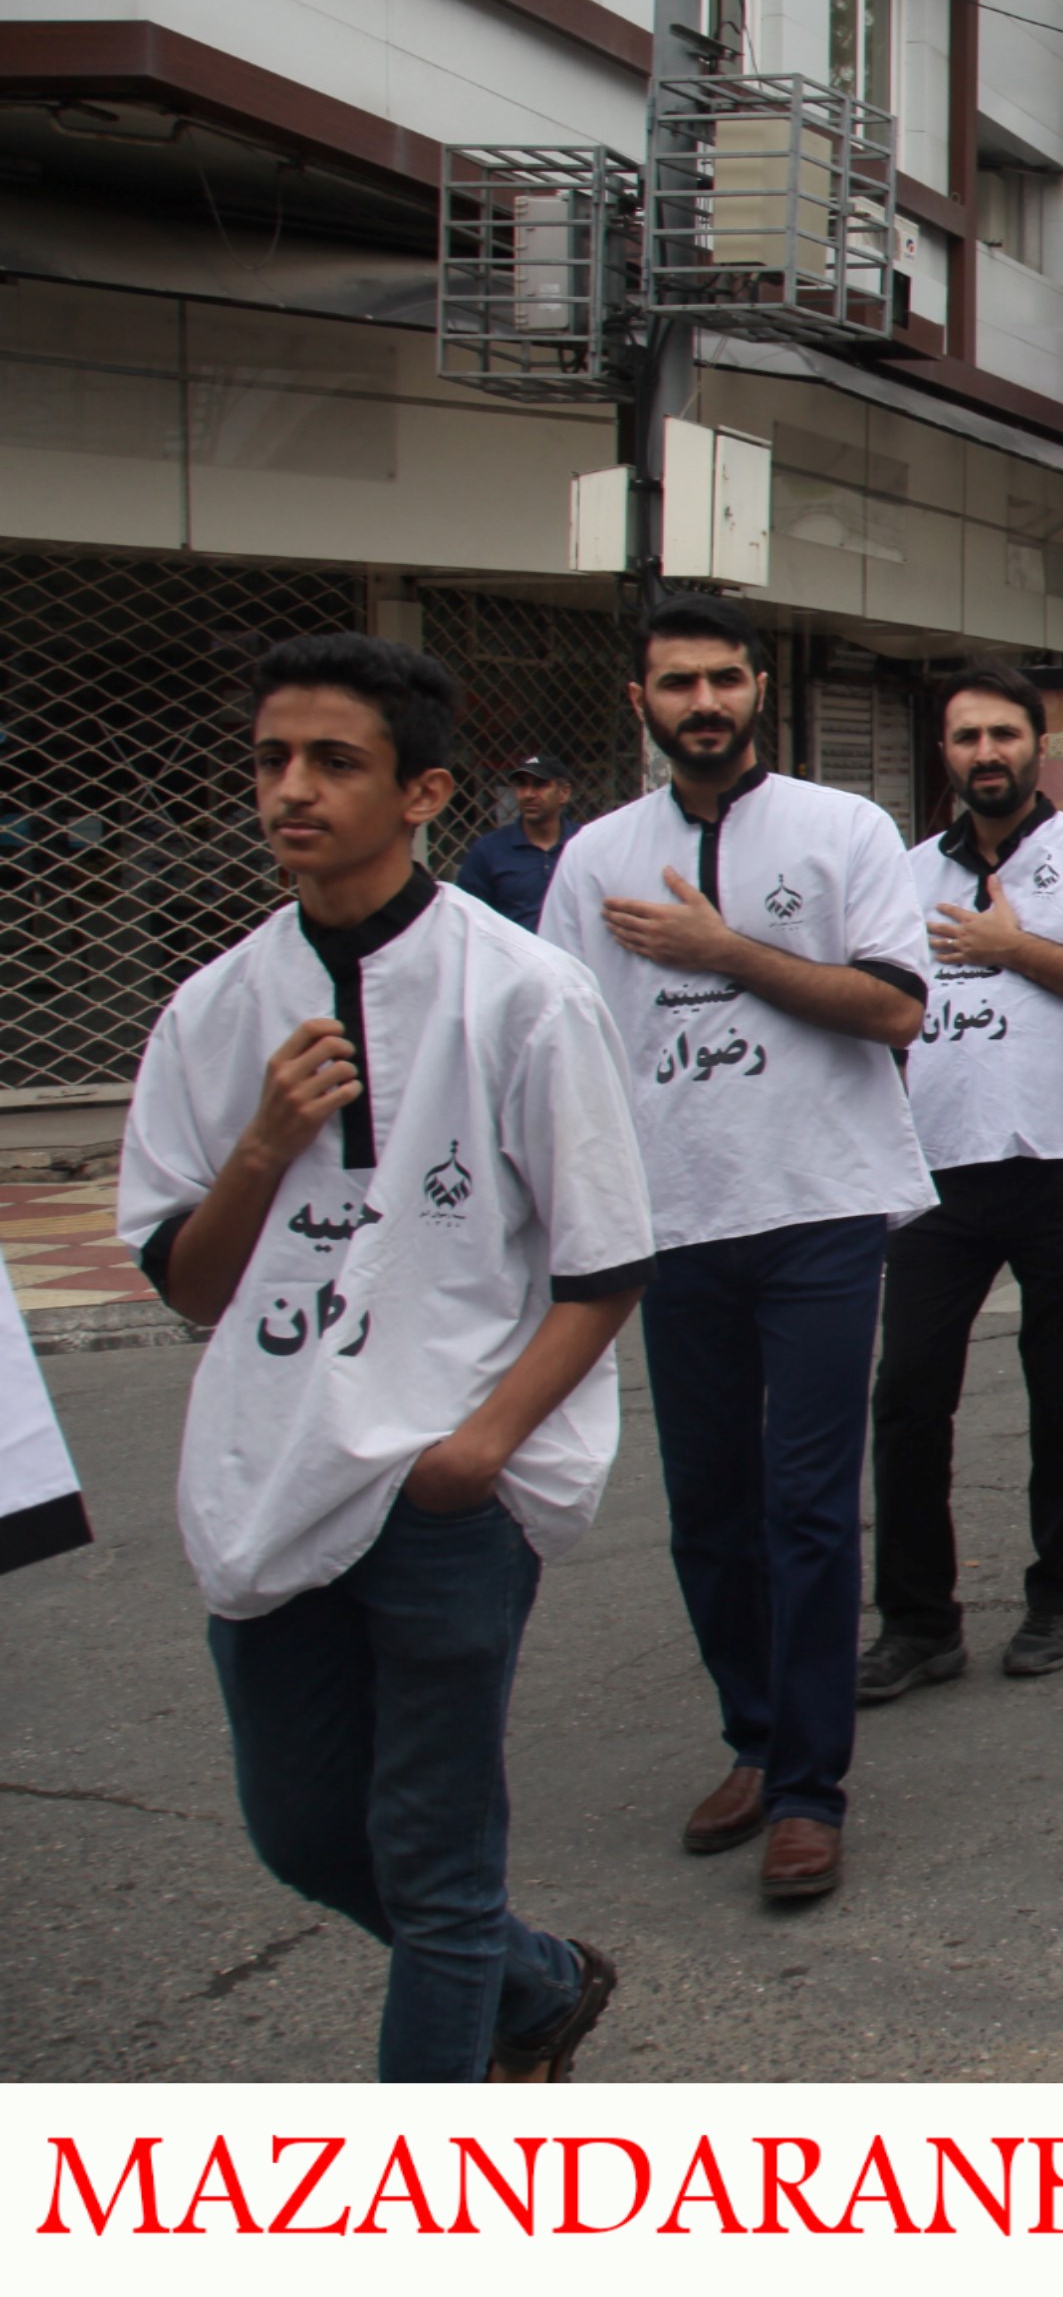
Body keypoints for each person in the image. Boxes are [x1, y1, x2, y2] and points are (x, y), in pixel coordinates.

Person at [118, 633, 649, 2080]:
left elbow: (604, 1265)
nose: (291, 790)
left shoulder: (523, 994)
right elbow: (190, 1287)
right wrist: (264, 1144)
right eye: (270, 760)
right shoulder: (216, 1009)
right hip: (273, 1472)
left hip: (447, 1489)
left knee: (436, 1869)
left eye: (333, 762)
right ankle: (539, 1985)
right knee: (304, 1833)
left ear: (422, 792)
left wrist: (478, 1454)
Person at [538, 591, 929, 1905]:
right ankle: (755, 1739)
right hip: (672, 1219)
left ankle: (812, 1790)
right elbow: (559, 1045)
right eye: (676, 683)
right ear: (639, 702)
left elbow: (894, 1009)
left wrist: (724, 949)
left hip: (820, 1204)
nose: (702, 702)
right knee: (707, 1508)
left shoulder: (842, 829)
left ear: (757, 686)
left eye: (722, 678)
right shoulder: (595, 858)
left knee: (807, 1505)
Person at [864, 664, 1063, 1697]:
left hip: (1061, 1161)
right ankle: (917, 1621)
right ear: (944, 755)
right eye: (967, 738)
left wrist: (1012, 946)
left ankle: (1058, 1598)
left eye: (1003, 734)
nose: (985, 753)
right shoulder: (909, 873)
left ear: (1039, 745)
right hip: (936, 1168)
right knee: (908, 1394)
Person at [448, 752, 575, 935]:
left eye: (540, 785)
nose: (528, 794)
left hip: (573, 952)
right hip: (512, 952)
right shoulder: (489, 850)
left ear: (564, 792)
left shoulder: (583, 844)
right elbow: (466, 919)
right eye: (522, 785)